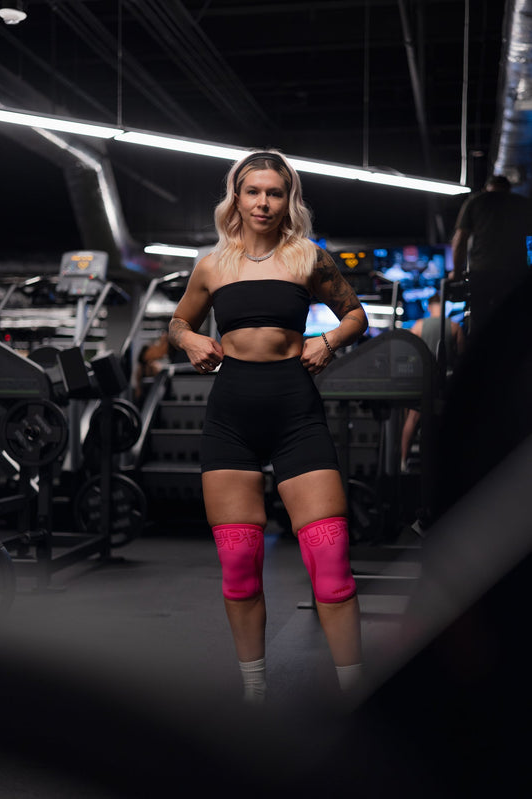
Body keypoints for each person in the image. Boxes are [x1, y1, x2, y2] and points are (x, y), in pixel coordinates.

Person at [168, 150, 368, 705]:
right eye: (252, 191)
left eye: (274, 193)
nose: (262, 202)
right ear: (236, 197)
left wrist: (327, 341)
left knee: (331, 569)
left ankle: (357, 694)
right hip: (230, 418)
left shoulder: (308, 258)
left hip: (296, 416)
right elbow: (179, 320)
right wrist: (188, 339)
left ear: (288, 200)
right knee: (238, 570)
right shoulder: (213, 264)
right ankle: (254, 692)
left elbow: (356, 315)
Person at [451, 174, 531, 336]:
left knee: (480, 322)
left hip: (483, 272)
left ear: (487, 188)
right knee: (515, 322)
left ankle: (481, 356)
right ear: (508, 189)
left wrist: (457, 272)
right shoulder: (523, 204)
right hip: (515, 274)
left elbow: (460, 240)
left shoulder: (475, 202)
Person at [400, 291, 464, 472]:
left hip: (422, 380)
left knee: (412, 418)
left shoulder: (419, 325)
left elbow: (408, 353)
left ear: (429, 307)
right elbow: (462, 356)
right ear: (444, 307)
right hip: (446, 381)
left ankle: (403, 461)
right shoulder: (454, 326)